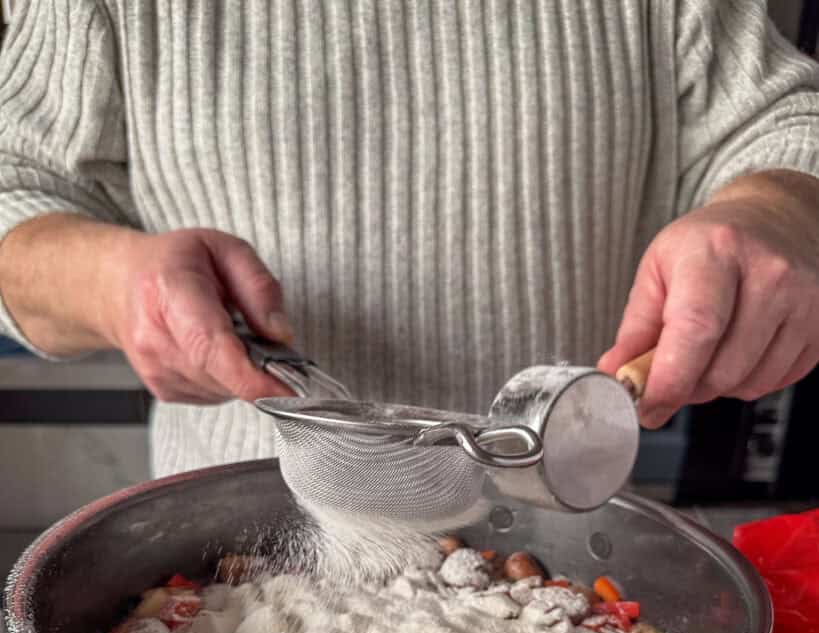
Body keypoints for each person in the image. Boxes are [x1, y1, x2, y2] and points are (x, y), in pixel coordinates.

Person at [0, 1, 818, 481]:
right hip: (225, 553)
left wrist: (778, 212)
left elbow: (779, 121)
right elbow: (15, 186)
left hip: (565, 534)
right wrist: (112, 286)